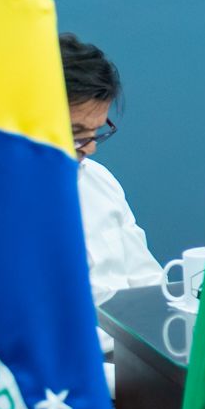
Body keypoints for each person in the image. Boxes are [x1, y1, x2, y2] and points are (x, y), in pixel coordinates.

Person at [62, 34, 164, 322]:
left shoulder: (99, 180)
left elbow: (149, 285)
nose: (90, 148)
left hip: (131, 344)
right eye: (76, 134)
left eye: (96, 131)